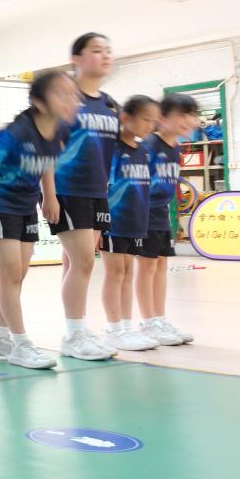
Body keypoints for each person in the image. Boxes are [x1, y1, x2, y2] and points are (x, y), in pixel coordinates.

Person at [0, 71, 82, 369]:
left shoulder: (60, 130)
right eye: (61, 94)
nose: (71, 100)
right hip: (0, 204)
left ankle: (0, 337)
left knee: (19, 273)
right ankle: (21, 344)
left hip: (26, 204)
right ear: (39, 101)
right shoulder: (16, 134)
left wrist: (50, 196)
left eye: (72, 94)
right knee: (11, 273)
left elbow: (47, 160)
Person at [51, 33, 119, 361]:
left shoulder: (109, 104)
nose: (105, 56)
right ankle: (73, 335)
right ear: (76, 59)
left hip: (98, 191)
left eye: (108, 51)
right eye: (96, 50)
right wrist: (48, 195)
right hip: (68, 188)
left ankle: (79, 328)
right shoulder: (64, 98)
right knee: (84, 261)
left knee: (79, 263)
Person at [135, 93, 200, 345]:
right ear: (162, 118)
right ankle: (148, 322)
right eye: (182, 115)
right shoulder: (149, 145)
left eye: (192, 115)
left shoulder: (174, 148)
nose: (190, 121)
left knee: (161, 265)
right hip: (143, 213)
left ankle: (159, 319)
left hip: (161, 212)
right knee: (147, 266)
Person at [101, 96, 162, 352]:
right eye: (146, 119)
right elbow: (103, 186)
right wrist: (100, 222)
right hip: (114, 220)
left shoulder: (143, 151)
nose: (151, 126)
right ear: (126, 117)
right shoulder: (111, 150)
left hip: (135, 221)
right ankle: (113, 329)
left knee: (127, 272)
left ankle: (125, 327)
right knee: (115, 273)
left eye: (154, 121)